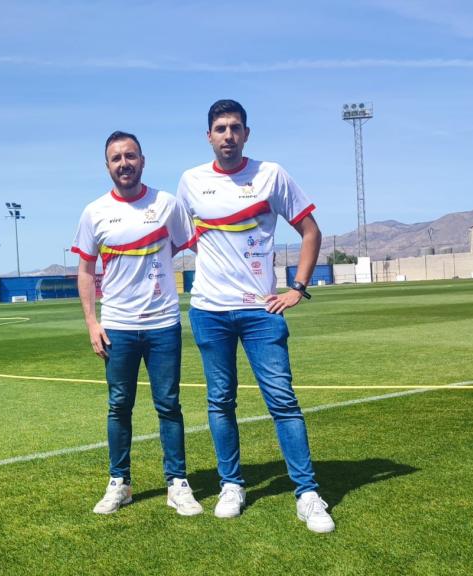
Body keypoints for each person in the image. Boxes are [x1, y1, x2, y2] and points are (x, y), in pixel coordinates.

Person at [176, 100, 335, 532]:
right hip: (209, 311)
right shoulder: (190, 182)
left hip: (261, 311)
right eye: (220, 128)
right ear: (208, 136)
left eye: (235, 128)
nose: (228, 135)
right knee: (219, 401)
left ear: (247, 134)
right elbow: (181, 238)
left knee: (282, 401)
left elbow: (310, 231)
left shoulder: (271, 175)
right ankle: (232, 484)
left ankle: (307, 493)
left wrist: (297, 289)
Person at [72, 131, 202, 516]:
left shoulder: (166, 204)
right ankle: (120, 483)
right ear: (107, 166)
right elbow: (84, 270)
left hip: (163, 323)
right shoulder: (94, 212)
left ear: (143, 161)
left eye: (130, 156)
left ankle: (177, 483)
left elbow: (189, 245)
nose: (124, 163)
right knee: (118, 406)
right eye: (116, 158)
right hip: (118, 326)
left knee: (169, 405)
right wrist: (92, 322)